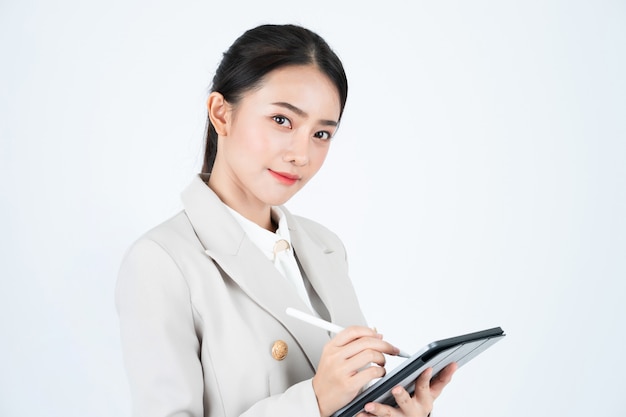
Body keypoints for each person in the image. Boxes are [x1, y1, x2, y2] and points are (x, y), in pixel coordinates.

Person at [116, 23, 456, 417]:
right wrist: (311, 402)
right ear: (221, 114)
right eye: (282, 120)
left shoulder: (325, 247)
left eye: (322, 134)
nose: (301, 154)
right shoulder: (162, 262)